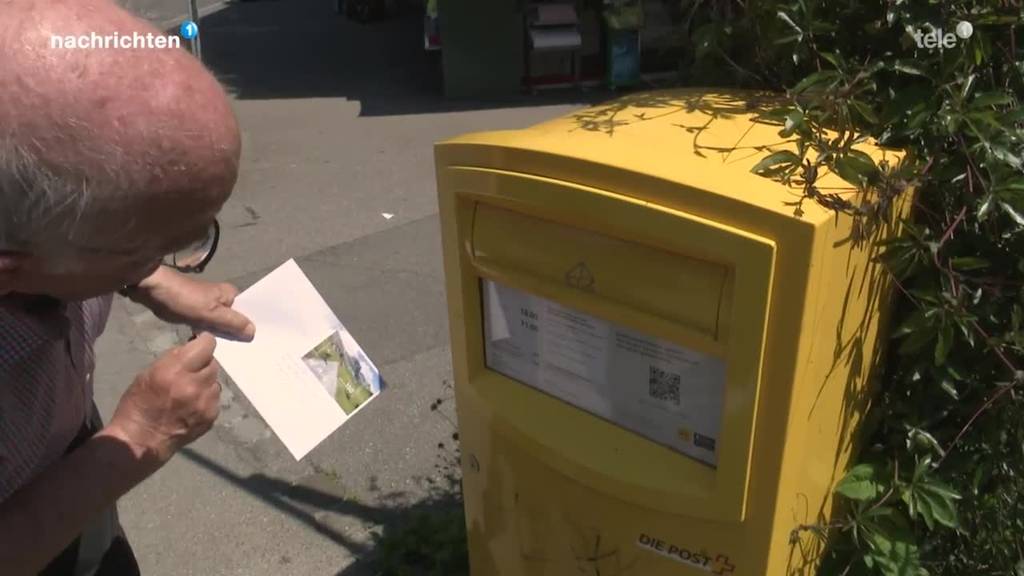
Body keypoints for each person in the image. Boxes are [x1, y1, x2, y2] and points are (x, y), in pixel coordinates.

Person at [0, 1, 255, 573]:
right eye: (147, 247)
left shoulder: (39, 230)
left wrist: (149, 277)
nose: (176, 262)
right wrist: (140, 436)